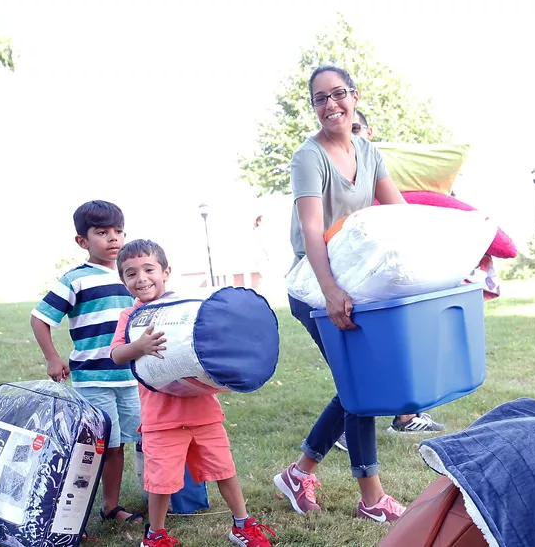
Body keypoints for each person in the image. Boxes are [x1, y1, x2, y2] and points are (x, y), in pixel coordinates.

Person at [272, 65, 409, 523]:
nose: (330, 105)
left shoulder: (368, 152)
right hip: (313, 286)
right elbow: (312, 229)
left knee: (357, 383)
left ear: (354, 96)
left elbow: (399, 215)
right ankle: (371, 498)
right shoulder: (308, 157)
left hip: (352, 285)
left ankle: (299, 472)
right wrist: (329, 291)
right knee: (361, 383)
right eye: (319, 98)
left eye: (338, 94)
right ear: (312, 107)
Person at [110, 240, 276, 547]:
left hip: (203, 413)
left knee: (224, 469)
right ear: (124, 281)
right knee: (161, 481)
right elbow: (117, 354)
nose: (142, 278)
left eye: (149, 269)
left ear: (166, 272)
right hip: (160, 419)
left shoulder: (185, 304)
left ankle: (242, 523)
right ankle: (155, 534)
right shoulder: (129, 317)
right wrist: (139, 347)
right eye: (131, 273)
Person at [29, 200, 142, 524]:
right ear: (83, 241)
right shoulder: (75, 279)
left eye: (118, 231)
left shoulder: (131, 275)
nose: (113, 239)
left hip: (131, 377)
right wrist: (53, 358)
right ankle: (104, 506)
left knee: (141, 436)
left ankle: (159, 492)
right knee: (107, 444)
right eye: (102, 232)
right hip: (93, 379)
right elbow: (40, 318)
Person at [349, 109, 449, 440]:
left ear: (369, 130)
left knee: (396, 346)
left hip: (381, 268)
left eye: (357, 128)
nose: (352, 135)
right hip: (349, 274)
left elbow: (401, 212)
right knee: (367, 362)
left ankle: (405, 415)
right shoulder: (330, 166)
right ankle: (346, 426)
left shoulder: (374, 162)